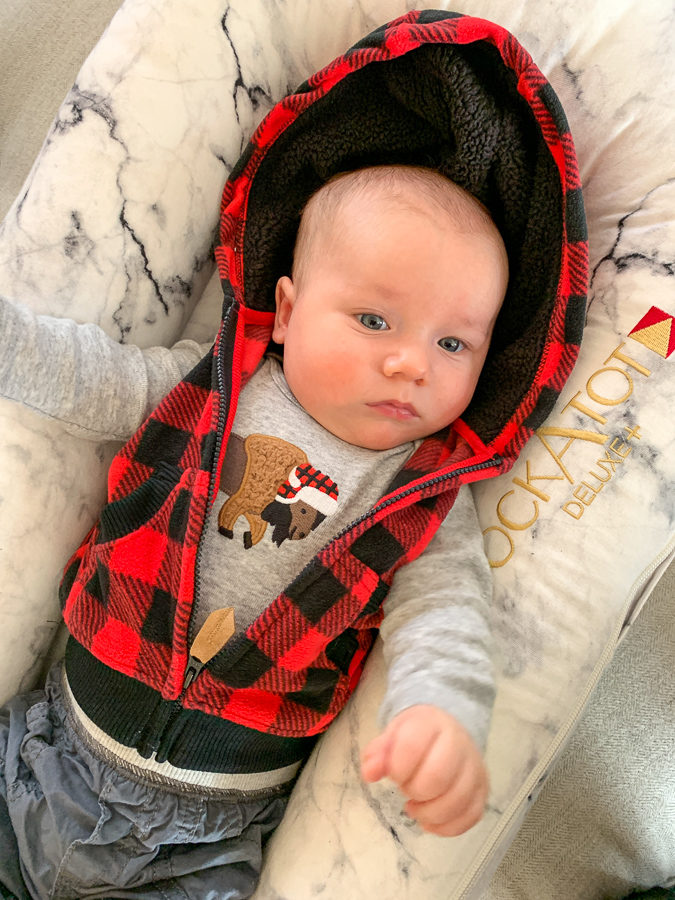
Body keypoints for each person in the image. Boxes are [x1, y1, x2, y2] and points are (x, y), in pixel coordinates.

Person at [0, 10, 587, 900]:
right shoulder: (207, 387)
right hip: (46, 751)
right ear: (285, 306)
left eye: (452, 344)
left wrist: (438, 712)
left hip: (199, 846)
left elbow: (445, 621)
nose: (410, 363)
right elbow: (87, 376)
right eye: (374, 319)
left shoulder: (420, 499)